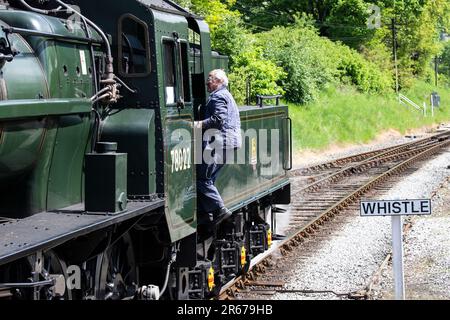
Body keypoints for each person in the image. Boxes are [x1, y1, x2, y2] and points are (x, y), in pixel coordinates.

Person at [194, 69, 242, 226]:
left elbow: (218, 119)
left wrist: (198, 124)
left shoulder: (218, 96)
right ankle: (206, 212)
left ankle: (219, 210)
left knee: (202, 179)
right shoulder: (226, 95)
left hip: (219, 142)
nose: (208, 82)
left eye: (211, 79)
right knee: (209, 178)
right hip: (226, 142)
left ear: (219, 81)